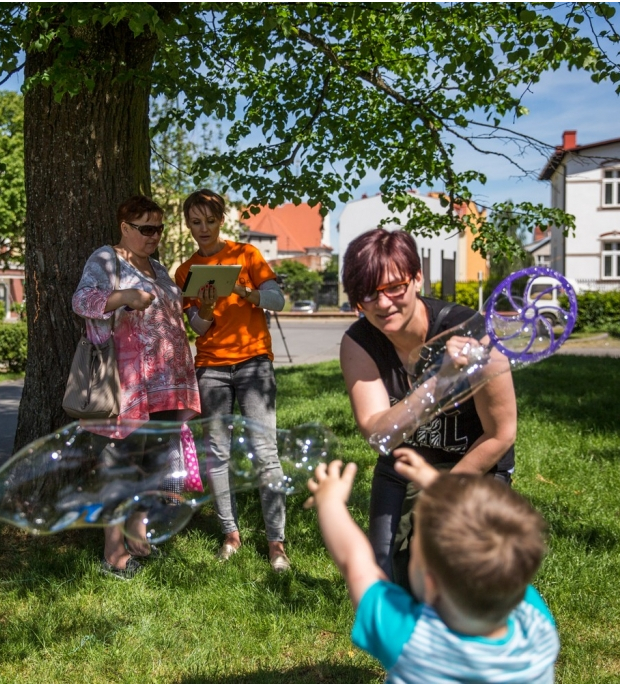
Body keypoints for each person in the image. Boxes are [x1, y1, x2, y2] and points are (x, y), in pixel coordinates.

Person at [340, 228, 517, 587]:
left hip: (477, 465)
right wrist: (439, 380)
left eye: (395, 287)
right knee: (379, 581)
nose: (383, 303)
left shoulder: (474, 332)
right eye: (368, 294)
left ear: (417, 278)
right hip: (402, 463)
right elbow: (378, 434)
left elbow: (501, 433)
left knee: (460, 580)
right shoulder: (359, 342)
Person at [305, 449, 559, 684]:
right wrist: (437, 485)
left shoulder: (413, 640)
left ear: (430, 582)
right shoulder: (536, 623)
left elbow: (356, 564)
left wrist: (330, 503)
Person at [72, 195, 200, 580]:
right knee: (120, 465)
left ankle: (139, 537)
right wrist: (124, 297)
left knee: (150, 465)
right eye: (146, 229)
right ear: (124, 227)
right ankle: (113, 552)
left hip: (167, 383)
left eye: (158, 228)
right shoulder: (107, 259)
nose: (154, 236)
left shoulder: (159, 268)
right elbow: (82, 300)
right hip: (128, 385)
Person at [174, 189, 290, 572]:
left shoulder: (247, 255)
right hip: (210, 368)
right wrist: (204, 309)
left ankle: (277, 544)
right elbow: (196, 327)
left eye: (209, 220)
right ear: (187, 224)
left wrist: (245, 291)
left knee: (265, 451)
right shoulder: (185, 270)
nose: (202, 228)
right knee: (218, 454)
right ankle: (231, 534)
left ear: (221, 220)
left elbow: (277, 301)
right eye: (195, 222)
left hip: (254, 363)